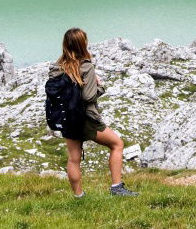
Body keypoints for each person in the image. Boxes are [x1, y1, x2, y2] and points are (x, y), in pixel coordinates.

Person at [50, 27, 139, 197]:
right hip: (86, 119)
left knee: (73, 159)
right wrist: (100, 85)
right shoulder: (86, 66)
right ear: (83, 44)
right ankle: (117, 188)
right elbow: (88, 96)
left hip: (66, 118)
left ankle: (78, 196)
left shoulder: (57, 67)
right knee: (117, 144)